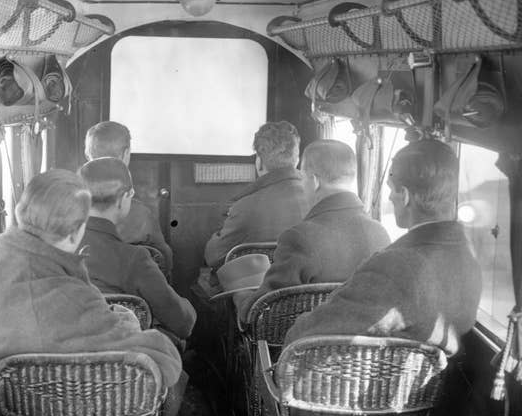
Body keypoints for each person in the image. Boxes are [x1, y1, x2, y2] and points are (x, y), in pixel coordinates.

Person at [0, 169, 182, 416]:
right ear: (75, 233)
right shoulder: (72, 299)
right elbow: (160, 358)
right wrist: (130, 322)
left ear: (21, 212)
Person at [285, 139, 483, 356]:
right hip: (434, 385)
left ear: (405, 196)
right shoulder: (468, 257)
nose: (389, 197)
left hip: (361, 384)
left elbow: (306, 335)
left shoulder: (396, 267)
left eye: (391, 190)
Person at [238, 140, 390, 322]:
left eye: (302, 177)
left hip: (304, 346)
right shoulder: (382, 234)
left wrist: (241, 298)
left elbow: (262, 310)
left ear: (314, 181)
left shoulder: (299, 238)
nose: (301, 185)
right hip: (364, 347)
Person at [78, 158, 196, 345]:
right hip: (125, 365)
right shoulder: (134, 259)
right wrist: (189, 308)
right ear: (127, 196)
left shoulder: (48, 250)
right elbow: (182, 323)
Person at [203, 121, 312, 269]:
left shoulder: (245, 207)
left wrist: (216, 236)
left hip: (260, 291)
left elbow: (214, 257)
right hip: (308, 289)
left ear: (259, 162)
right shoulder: (318, 201)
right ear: (297, 160)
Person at [85, 121, 173, 269]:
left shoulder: (65, 207)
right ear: (126, 154)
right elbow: (164, 258)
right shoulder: (141, 214)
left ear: (87, 154)